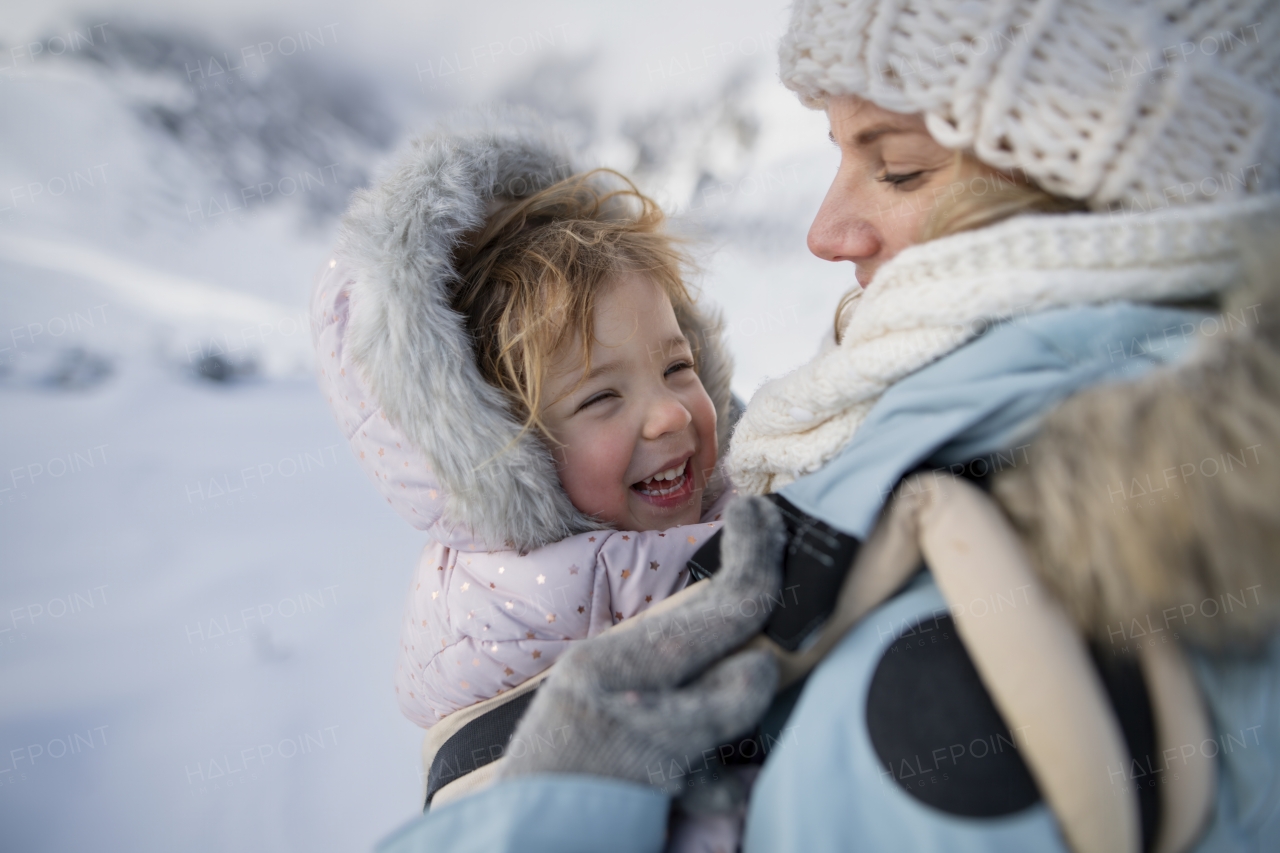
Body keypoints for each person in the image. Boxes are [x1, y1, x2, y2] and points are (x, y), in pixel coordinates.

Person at [375, 1, 1280, 851]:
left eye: (899, 168)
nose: (826, 229)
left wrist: (555, 811)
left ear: (1106, 195)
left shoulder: (975, 621)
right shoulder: (897, 472)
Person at [310, 121, 740, 732]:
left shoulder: (738, 475)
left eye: (677, 365)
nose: (671, 413)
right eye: (601, 398)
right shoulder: (533, 614)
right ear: (510, 451)